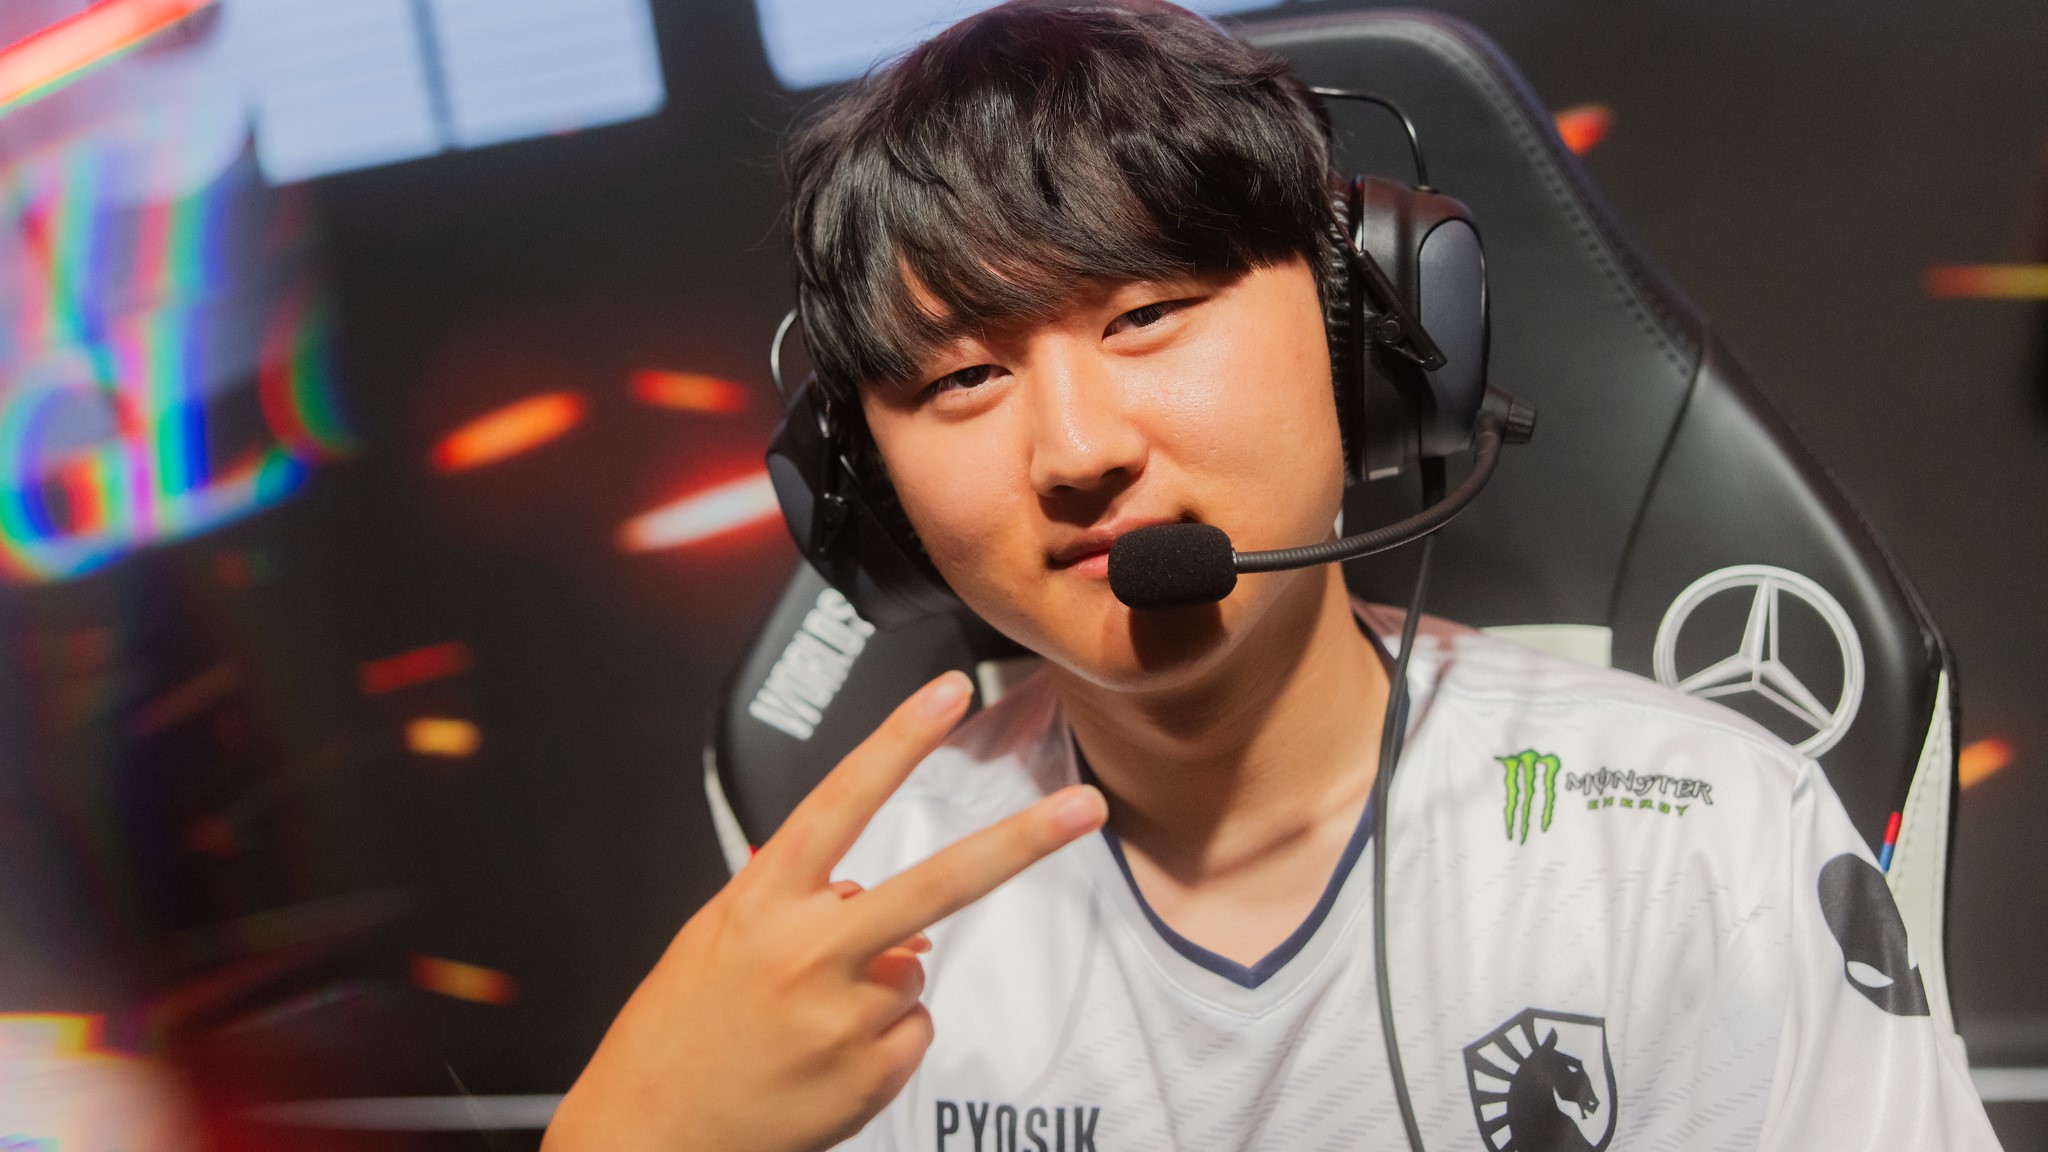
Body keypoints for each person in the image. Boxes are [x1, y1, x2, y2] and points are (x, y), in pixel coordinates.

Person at [543, 2, 2003, 1149]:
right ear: (864, 487)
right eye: (967, 375)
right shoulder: (839, 937)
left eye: (1149, 313)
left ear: (1366, 333)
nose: (1076, 449)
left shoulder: (1698, 843)